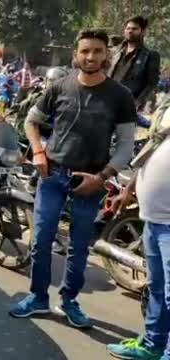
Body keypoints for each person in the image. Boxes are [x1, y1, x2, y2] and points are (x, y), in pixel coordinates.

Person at [9, 29, 136, 328]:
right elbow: (31, 121)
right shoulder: (59, 86)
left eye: (97, 51)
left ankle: (69, 301)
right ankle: (38, 298)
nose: (91, 56)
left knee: (79, 246)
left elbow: (126, 147)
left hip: (90, 181)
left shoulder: (120, 96)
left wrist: (102, 177)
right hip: (52, 174)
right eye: (85, 51)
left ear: (107, 55)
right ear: (76, 54)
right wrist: (38, 153)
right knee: (40, 239)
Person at [106, 97, 170, 360]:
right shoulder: (166, 108)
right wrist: (131, 188)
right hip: (154, 219)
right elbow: (153, 152)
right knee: (157, 287)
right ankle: (153, 345)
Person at [108, 16, 161, 111]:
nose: (130, 31)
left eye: (134, 28)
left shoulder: (150, 55)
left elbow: (151, 83)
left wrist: (138, 102)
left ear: (143, 32)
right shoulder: (114, 52)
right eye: (128, 28)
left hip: (128, 104)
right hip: (107, 99)